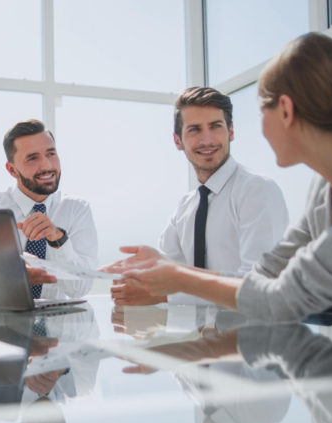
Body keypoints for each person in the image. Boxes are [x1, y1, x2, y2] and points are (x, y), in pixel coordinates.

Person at [105, 32, 332, 322]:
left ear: (285, 110)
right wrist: (167, 272)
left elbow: (285, 300)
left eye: (262, 110)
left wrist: (176, 278)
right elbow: (267, 273)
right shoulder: (328, 183)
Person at [111, 86, 288, 306]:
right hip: (203, 337)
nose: (207, 140)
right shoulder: (185, 207)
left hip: (253, 336)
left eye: (215, 126)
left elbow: (258, 285)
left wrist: (163, 295)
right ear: (178, 141)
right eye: (194, 129)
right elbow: (169, 272)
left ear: (231, 131)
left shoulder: (257, 191)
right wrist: (136, 277)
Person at [0, 119, 98, 300]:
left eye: (51, 154)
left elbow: (79, 288)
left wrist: (58, 240)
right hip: (3, 323)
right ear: (12, 170)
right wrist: (13, 278)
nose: (47, 166)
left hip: (57, 322)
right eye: (32, 158)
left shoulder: (77, 209)